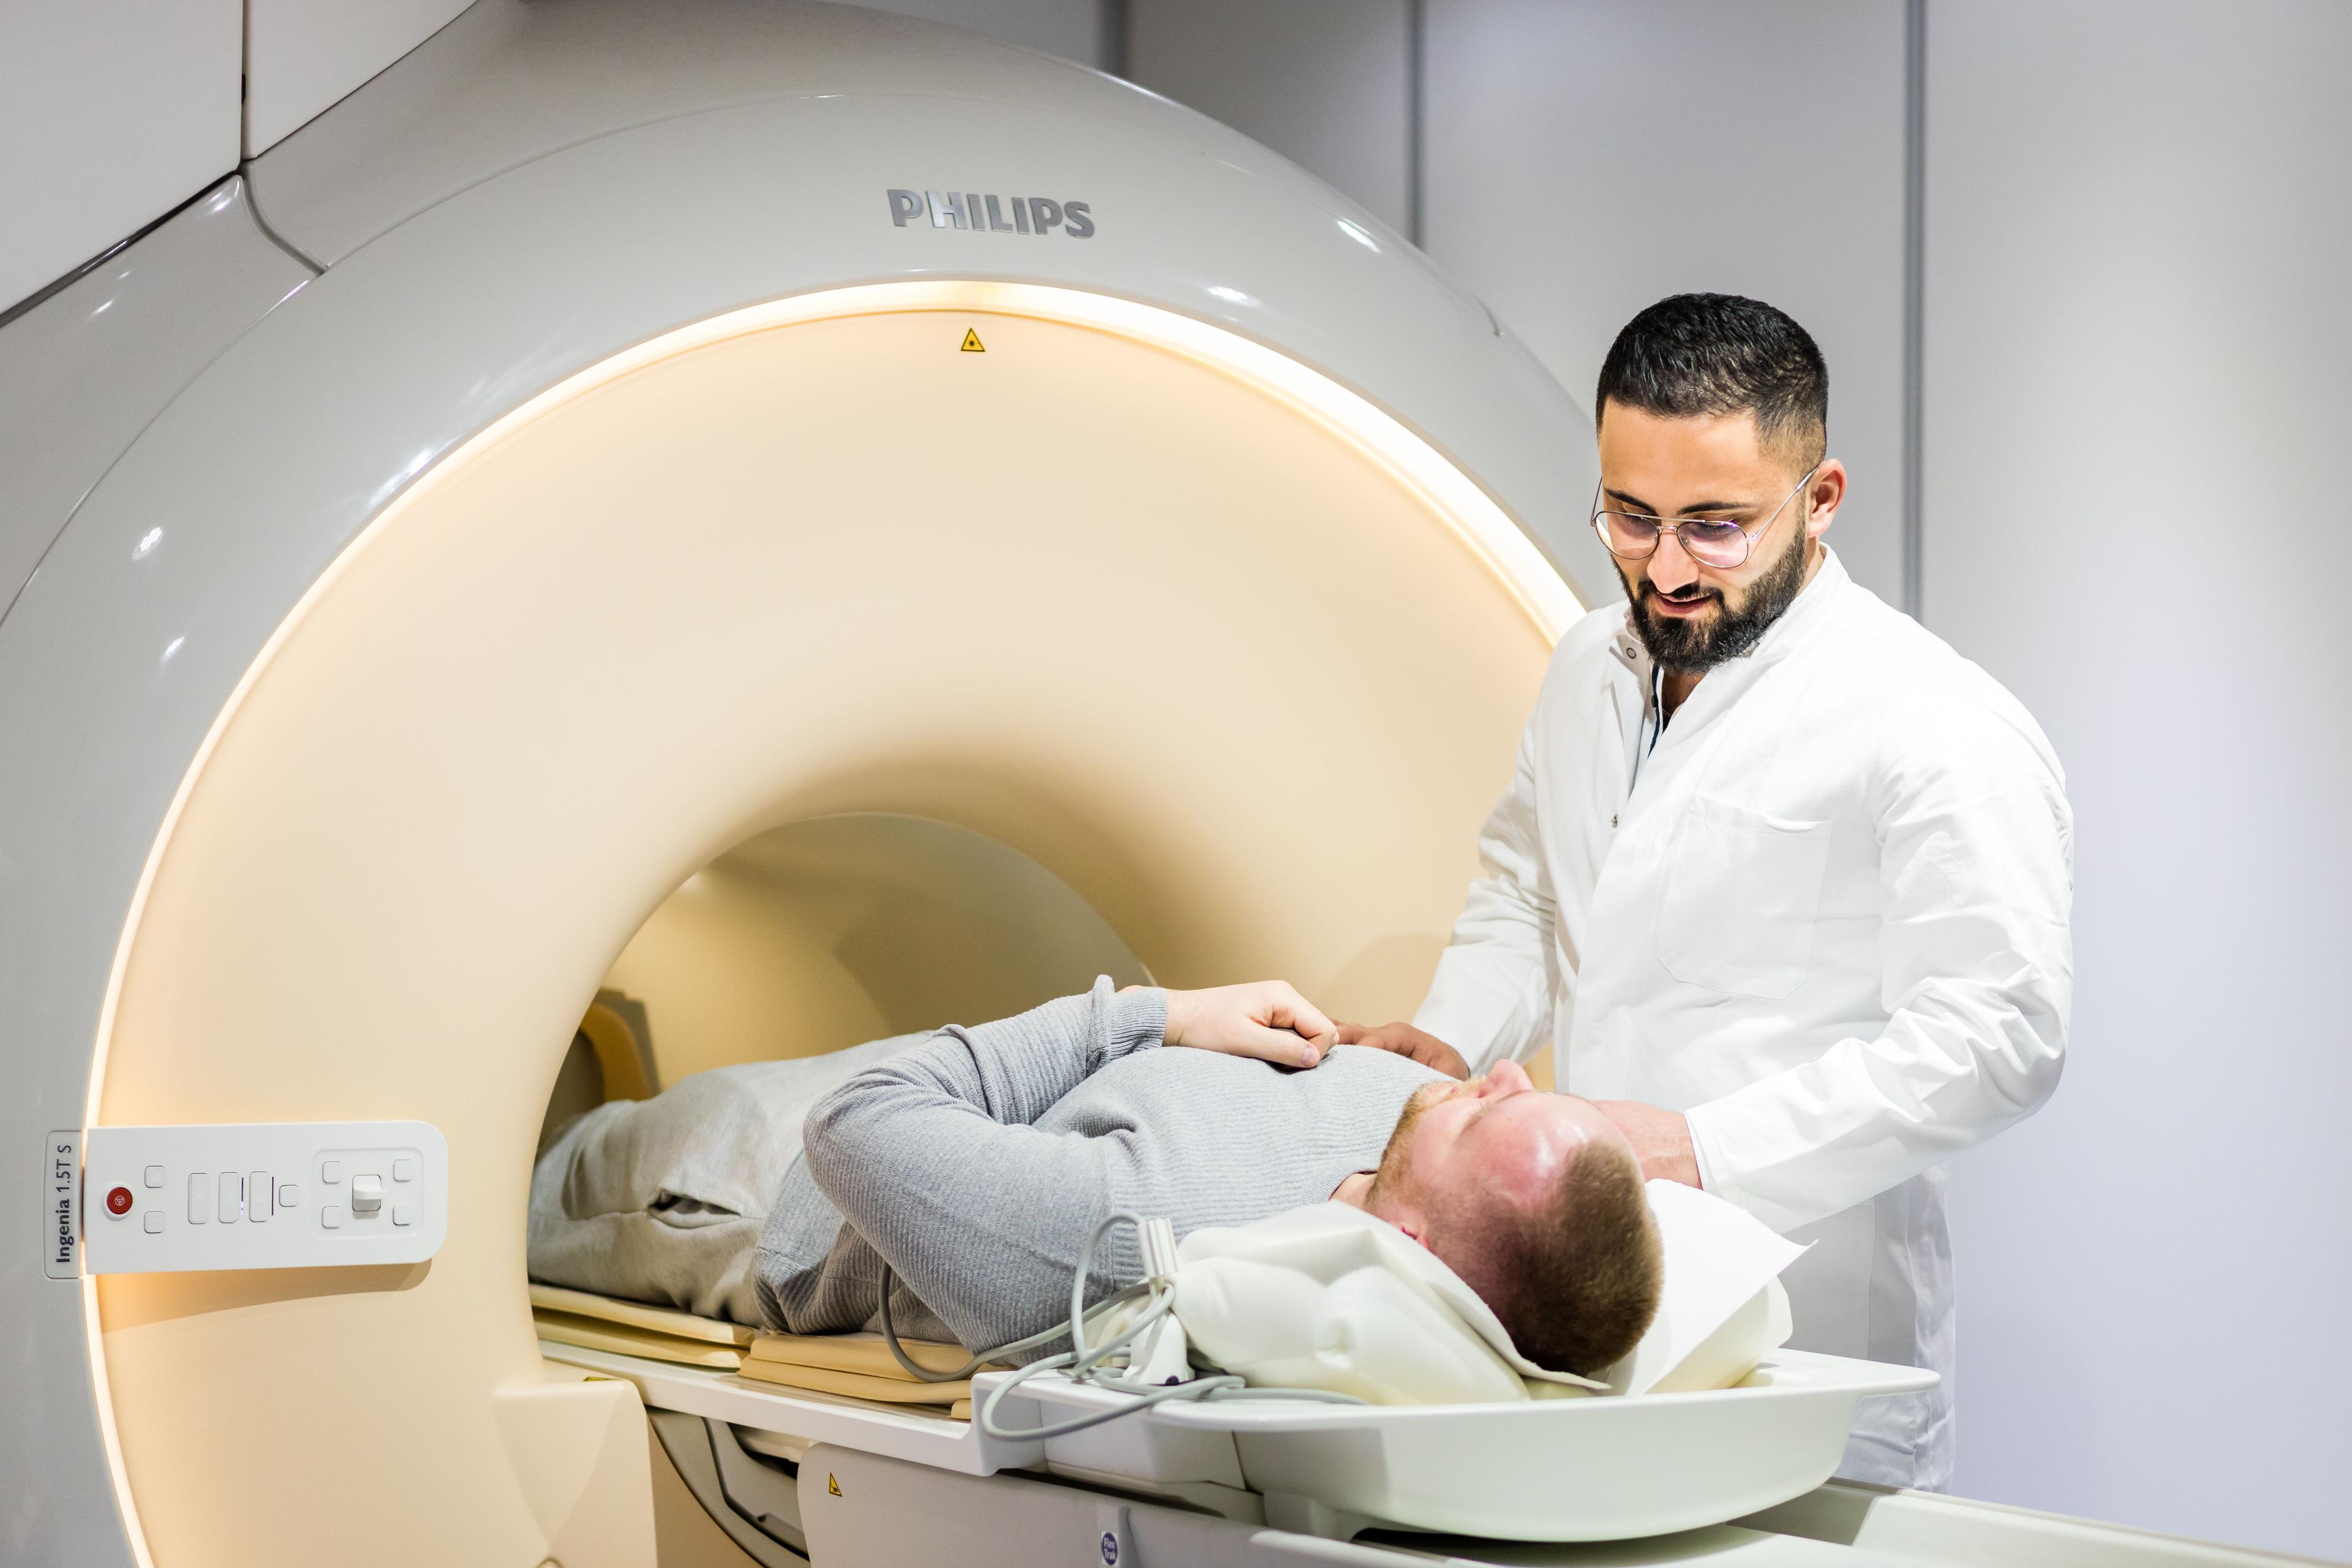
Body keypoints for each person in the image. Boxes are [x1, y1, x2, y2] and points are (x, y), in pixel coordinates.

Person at [1339, 294, 2072, 1489]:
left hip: (1803, 1335)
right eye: (1631, 516)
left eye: (1716, 526)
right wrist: (1450, 1037)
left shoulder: (1932, 719)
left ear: (1820, 497)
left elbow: (2001, 1034)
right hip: (1566, 1316)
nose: (1667, 568)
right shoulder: (1589, 665)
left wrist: (1699, 1147)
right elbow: (1530, 891)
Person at [529, 978, 1664, 1379]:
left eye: (1489, 1121)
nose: (1502, 1072)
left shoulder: (1140, 1238)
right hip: (962, 1103)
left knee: (547, 1184)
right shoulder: (1410, 1115)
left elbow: (856, 1123)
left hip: (776, 1187)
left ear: (1415, 1250)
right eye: (1523, 1091)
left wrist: (1152, 1012)